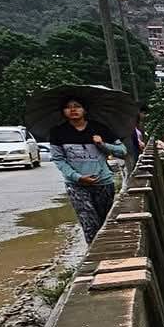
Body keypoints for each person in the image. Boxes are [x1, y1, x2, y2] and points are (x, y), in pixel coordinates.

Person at [47, 99, 127, 241]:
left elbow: (122, 151)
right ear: (63, 112)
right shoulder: (58, 132)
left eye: (77, 106)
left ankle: (107, 251)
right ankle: (93, 256)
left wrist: (102, 144)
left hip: (103, 183)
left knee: (105, 222)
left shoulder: (100, 128)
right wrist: (76, 176)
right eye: (68, 107)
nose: (73, 110)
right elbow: (59, 159)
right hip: (76, 185)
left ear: (85, 109)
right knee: (89, 222)